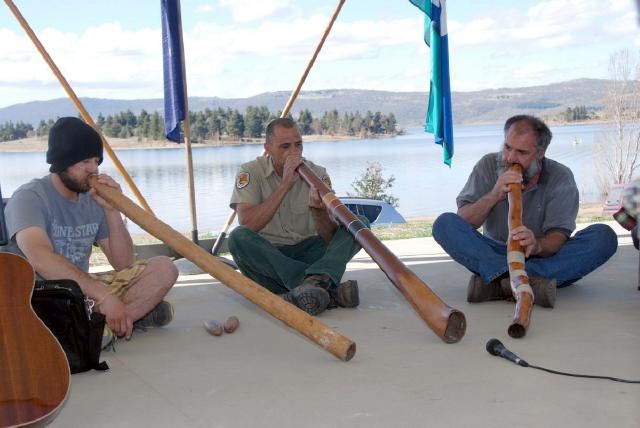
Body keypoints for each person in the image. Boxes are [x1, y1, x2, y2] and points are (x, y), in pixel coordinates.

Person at [1, 117, 178, 343]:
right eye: (85, 161)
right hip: (41, 293)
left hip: (84, 290)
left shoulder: (93, 200)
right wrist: (103, 295)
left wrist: (112, 211)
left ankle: (103, 326)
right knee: (47, 309)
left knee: (164, 268)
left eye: (96, 161)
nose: (93, 169)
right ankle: (128, 316)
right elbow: (40, 258)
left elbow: (123, 263)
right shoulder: (30, 197)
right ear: (62, 161)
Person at [432, 115, 618, 307]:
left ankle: (498, 284)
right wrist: (494, 194)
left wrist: (537, 245)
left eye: (521, 152)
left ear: (540, 153)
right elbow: (464, 221)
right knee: (444, 224)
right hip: (495, 253)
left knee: (604, 237)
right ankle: (529, 282)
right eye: (507, 147)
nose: (510, 158)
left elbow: (558, 237)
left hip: (540, 256)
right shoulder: (487, 165)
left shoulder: (560, 176)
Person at [227, 117, 366, 316]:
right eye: (285, 146)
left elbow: (329, 238)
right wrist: (285, 185)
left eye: (298, 145)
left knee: (358, 223)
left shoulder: (318, 174)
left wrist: (319, 212)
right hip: (270, 260)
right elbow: (247, 224)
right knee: (237, 237)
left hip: (309, 252)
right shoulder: (250, 172)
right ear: (268, 148)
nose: (294, 152)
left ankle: (309, 286)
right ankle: (322, 286)